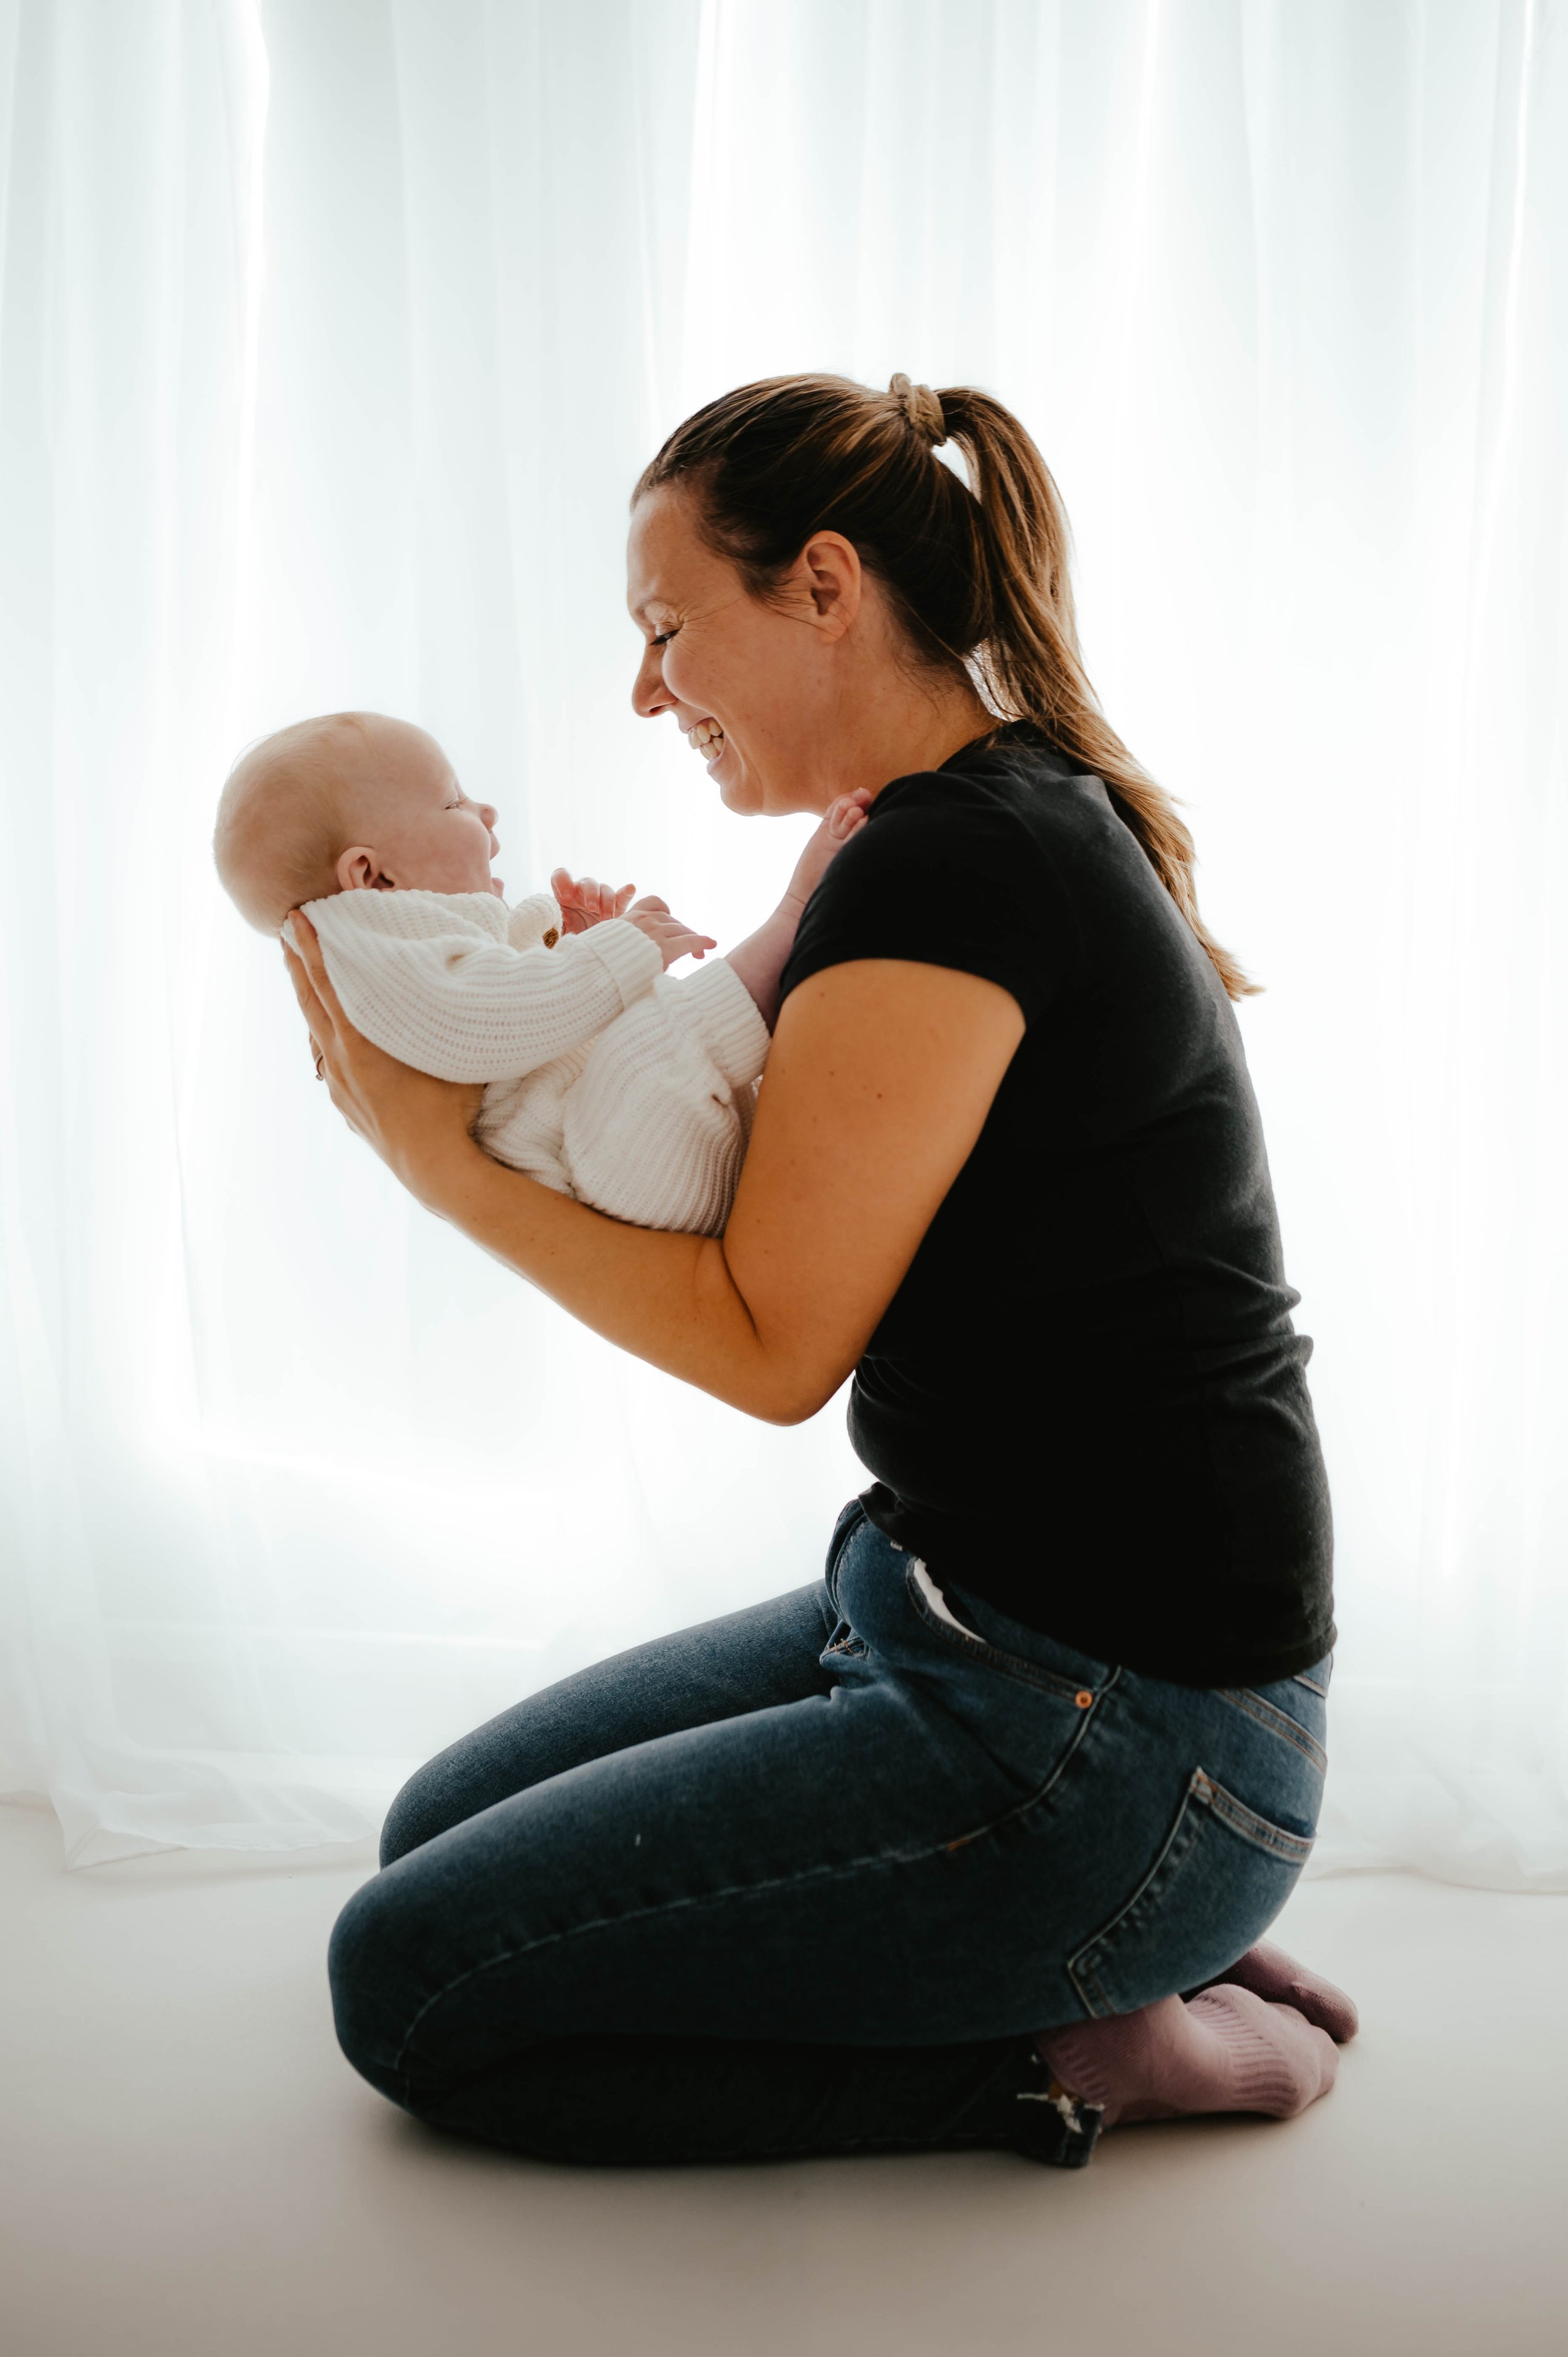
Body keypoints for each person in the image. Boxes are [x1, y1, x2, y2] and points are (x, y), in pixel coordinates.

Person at [287, 372, 1357, 2170]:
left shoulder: (956, 872)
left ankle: (1080, 2036)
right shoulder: (937, 829)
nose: (644, 692)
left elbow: (769, 1338)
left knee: (408, 1988)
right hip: (938, 1605)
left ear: (824, 585)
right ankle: (1040, 1932)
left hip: (1106, 1737)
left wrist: (431, 1162)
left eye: (664, 627)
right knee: (425, 1836)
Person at [214, 710, 865, 1234]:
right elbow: (485, 1020)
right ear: (372, 874)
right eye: (452, 804)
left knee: (655, 1039)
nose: (485, 812)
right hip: (612, 1171)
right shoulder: (370, 957)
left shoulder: (401, 950)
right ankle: (794, 915)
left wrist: (568, 946)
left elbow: (506, 1023)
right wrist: (612, 959)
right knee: (655, 1044)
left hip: (619, 1141)